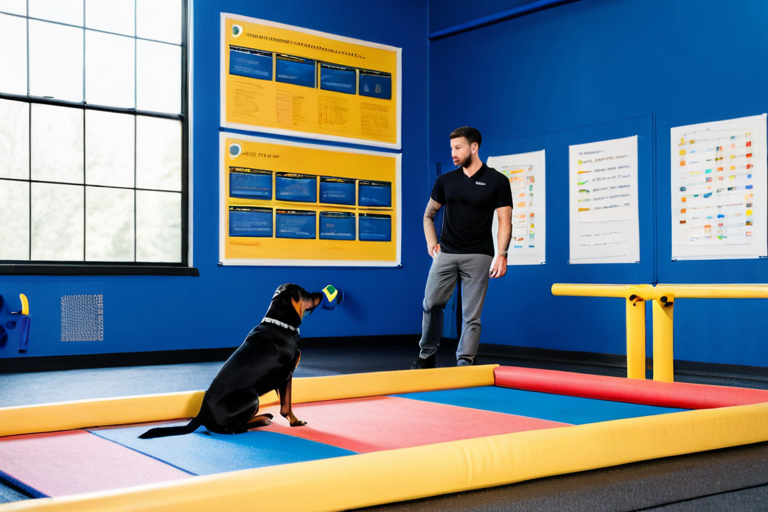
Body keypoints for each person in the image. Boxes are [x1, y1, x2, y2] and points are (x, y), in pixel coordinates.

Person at [412, 126, 512, 368]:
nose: (453, 153)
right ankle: (426, 354)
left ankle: (465, 361)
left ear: (474, 147)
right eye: (451, 149)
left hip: (479, 255)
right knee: (431, 304)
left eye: (458, 148)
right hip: (446, 253)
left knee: (471, 315)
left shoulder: (498, 181)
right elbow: (428, 215)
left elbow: (504, 221)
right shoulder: (445, 181)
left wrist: (502, 254)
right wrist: (431, 242)